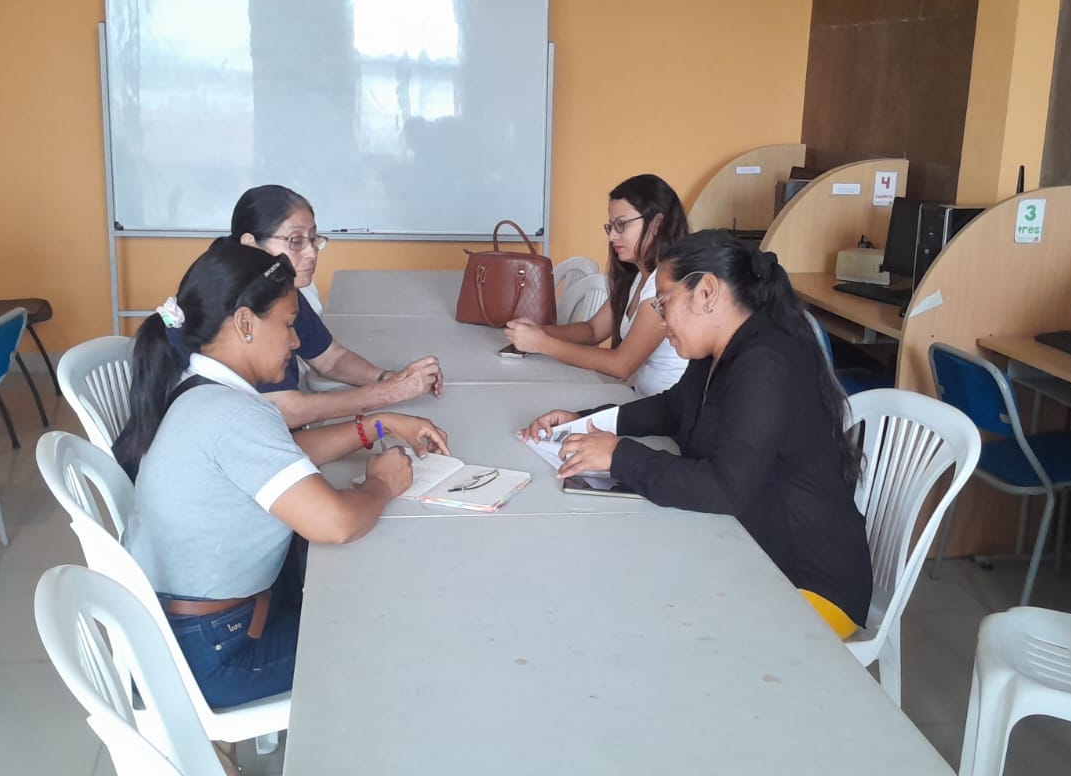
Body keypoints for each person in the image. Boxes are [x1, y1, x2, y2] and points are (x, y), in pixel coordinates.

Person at [116, 241, 450, 715]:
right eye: (289, 325)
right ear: (246, 323)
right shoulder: (232, 415)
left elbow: (277, 461)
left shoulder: (201, 387)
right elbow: (336, 523)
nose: (296, 343)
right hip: (212, 655)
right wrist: (382, 484)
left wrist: (377, 425)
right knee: (400, 628)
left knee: (358, 591)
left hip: (184, 630)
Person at [520, 230, 872, 634]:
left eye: (663, 302)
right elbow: (673, 409)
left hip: (805, 583)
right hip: (749, 546)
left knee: (644, 610)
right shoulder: (722, 348)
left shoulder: (767, 364)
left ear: (706, 292)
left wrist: (619, 455)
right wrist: (586, 422)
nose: (661, 319)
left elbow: (725, 488)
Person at [230, 184, 444, 427]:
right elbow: (285, 410)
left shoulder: (277, 285)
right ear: (250, 244)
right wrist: (389, 393)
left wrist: (386, 378)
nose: (312, 253)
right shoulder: (236, 304)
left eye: (313, 239)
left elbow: (330, 358)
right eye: (296, 241)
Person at [504, 174, 689, 396]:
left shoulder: (666, 285)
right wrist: (537, 331)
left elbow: (621, 365)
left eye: (621, 225)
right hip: (639, 398)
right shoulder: (637, 276)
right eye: (611, 227)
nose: (612, 236)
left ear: (657, 223)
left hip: (664, 409)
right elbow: (592, 330)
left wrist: (543, 344)